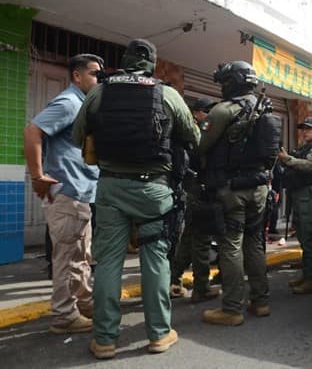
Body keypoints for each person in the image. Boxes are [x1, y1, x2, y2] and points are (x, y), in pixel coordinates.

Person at [73, 39, 200, 359]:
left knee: (108, 263)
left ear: (124, 60)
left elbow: (78, 136)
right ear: (152, 64)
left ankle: (104, 339)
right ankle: (159, 334)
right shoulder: (167, 94)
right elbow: (194, 137)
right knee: (155, 261)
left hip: (111, 187)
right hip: (155, 190)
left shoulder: (100, 92)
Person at [24, 53, 103, 334]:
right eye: (94, 73)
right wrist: (37, 176)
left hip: (81, 192)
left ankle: (83, 303)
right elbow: (33, 131)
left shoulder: (83, 105)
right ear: (77, 76)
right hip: (68, 191)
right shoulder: (69, 102)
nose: (98, 79)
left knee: (81, 255)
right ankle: (63, 315)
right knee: (67, 258)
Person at [200, 61, 275, 326]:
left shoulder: (223, 110)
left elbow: (201, 146)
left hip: (231, 189)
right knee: (254, 243)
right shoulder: (265, 108)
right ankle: (261, 301)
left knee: (230, 245)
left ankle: (232, 308)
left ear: (231, 83)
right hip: (259, 187)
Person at [169, 97, 220, 303]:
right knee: (201, 239)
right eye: (207, 112)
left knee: (189, 237)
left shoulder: (186, 130)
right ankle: (201, 287)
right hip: (200, 189)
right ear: (198, 113)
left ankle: (173, 279)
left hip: (192, 189)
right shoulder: (199, 133)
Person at [278, 116, 312, 294]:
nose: (305, 131)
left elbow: (309, 166)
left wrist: (287, 159)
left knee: (309, 237)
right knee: (301, 234)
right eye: (303, 128)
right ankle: (307, 274)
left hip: (309, 195)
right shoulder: (304, 147)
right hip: (300, 194)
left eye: (309, 129)